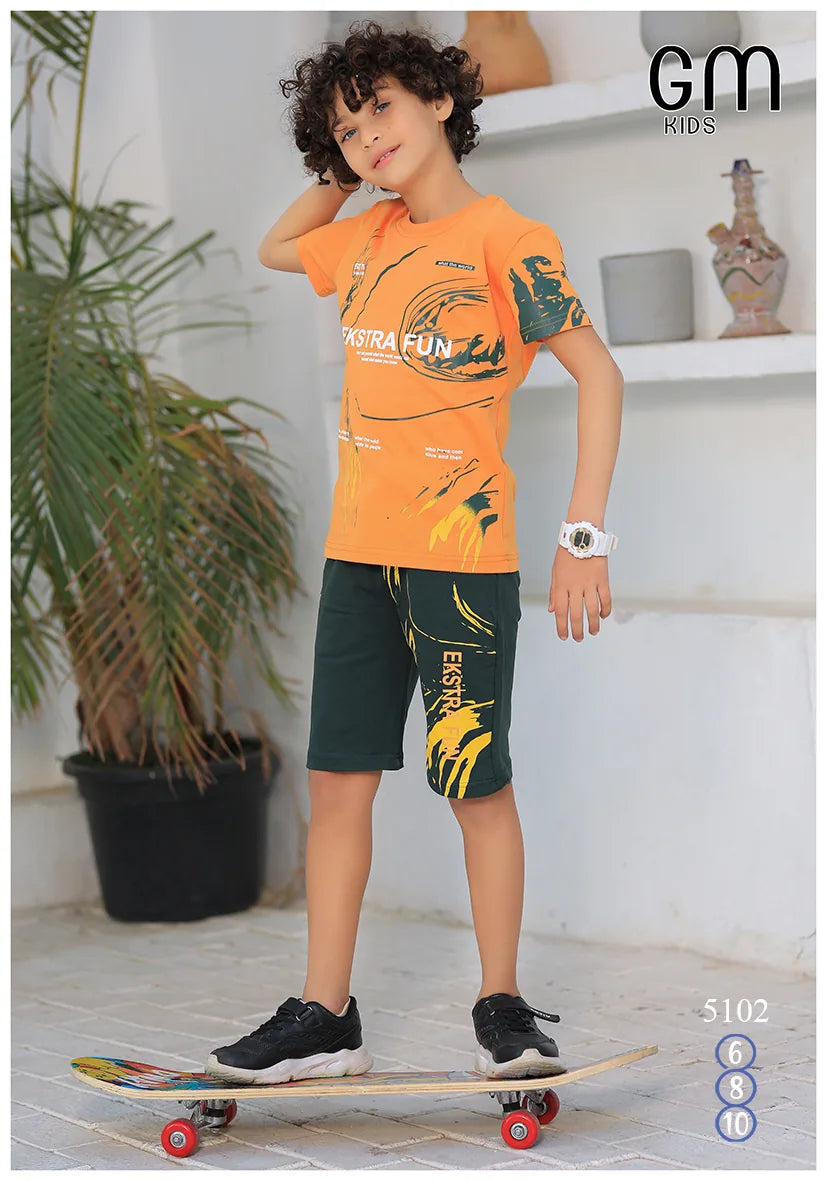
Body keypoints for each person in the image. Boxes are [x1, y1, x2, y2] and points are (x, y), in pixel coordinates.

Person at [206, 20, 623, 1086]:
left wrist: (582, 536)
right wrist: (336, 166)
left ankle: (500, 999)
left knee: (472, 782)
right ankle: (324, 1011)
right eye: (344, 129)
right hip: (360, 559)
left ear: (441, 100)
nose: (364, 137)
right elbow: (275, 247)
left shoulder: (506, 239)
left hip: (461, 561)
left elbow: (597, 375)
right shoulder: (369, 235)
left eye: (380, 106)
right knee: (339, 782)